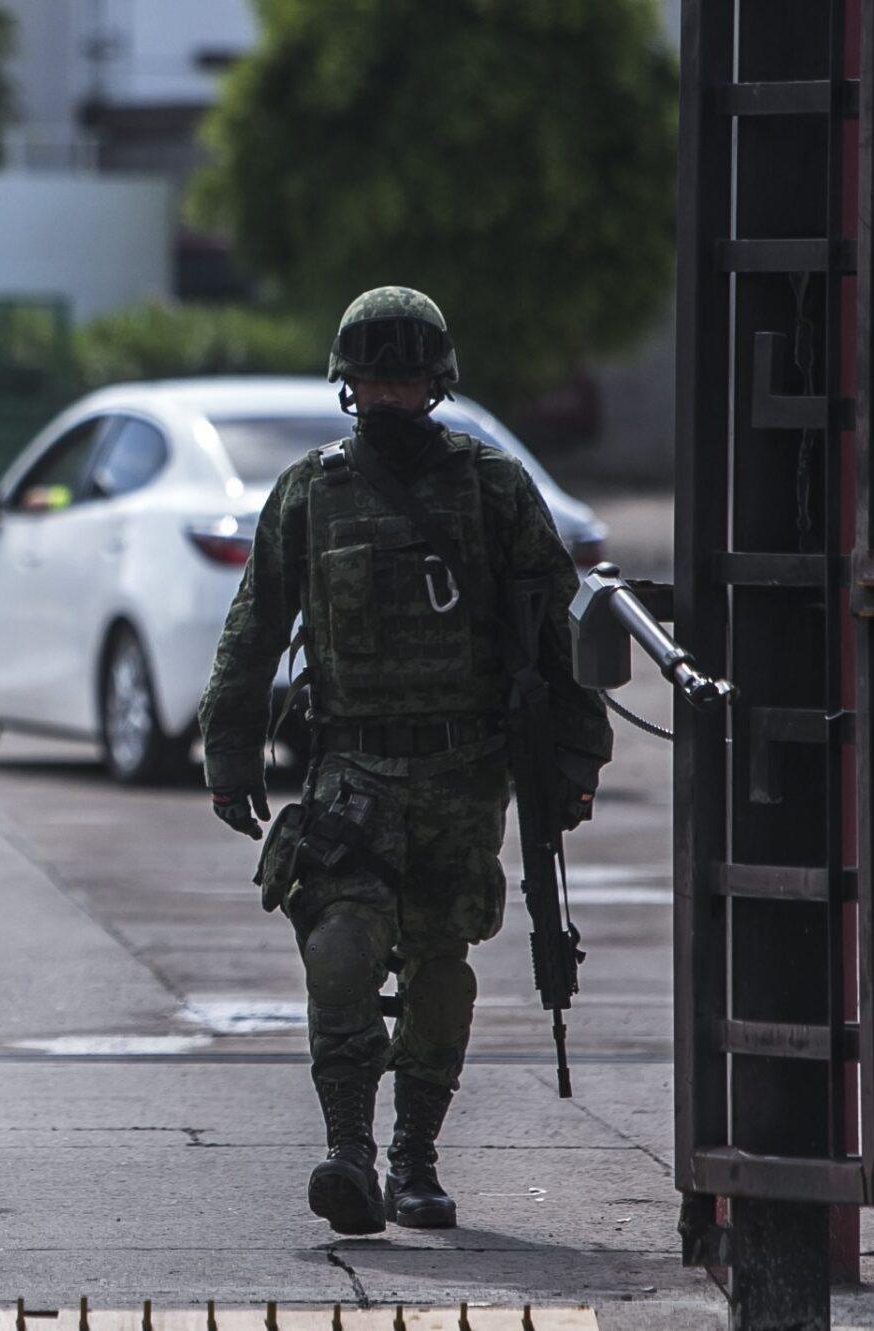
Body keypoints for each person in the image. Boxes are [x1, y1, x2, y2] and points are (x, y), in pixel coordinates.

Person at [197, 287, 611, 1236]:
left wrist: (576, 757)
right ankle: (348, 1149)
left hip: (465, 775)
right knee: (339, 949)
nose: (389, 394)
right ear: (348, 387)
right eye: (373, 380)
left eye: (406, 379)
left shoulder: (495, 486)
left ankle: (414, 1158)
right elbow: (253, 627)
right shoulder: (310, 491)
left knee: (439, 972)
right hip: (352, 768)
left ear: (436, 383)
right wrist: (231, 752)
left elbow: (558, 624)